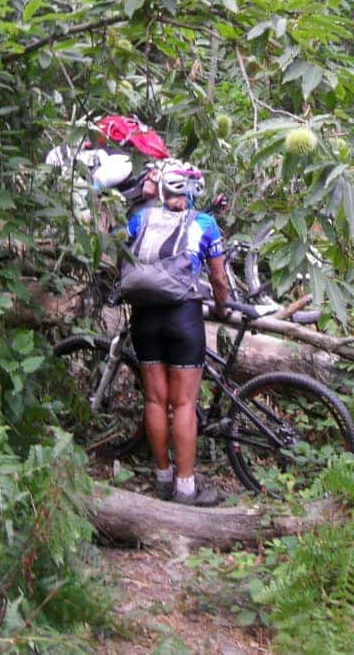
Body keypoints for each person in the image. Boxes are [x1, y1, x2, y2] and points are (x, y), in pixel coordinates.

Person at [124, 159, 230, 506]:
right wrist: (222, 308)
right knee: (184, 403)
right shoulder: (205, 223)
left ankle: (162, 477)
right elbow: (218, 279)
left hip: (144, 315)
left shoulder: (141, 218)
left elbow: (121, 255)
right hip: (182, 316)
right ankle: (186, 488)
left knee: (155, 399)